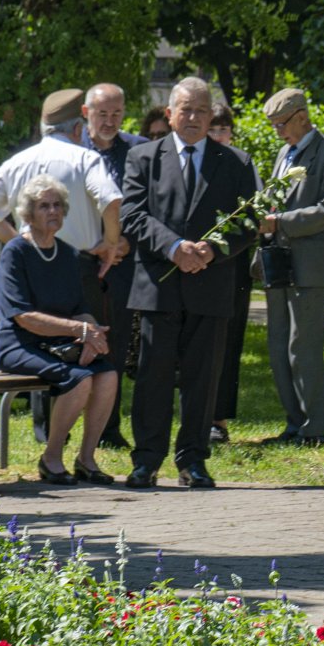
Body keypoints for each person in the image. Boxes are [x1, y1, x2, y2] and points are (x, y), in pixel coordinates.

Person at [119, 77, 259, 489]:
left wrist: (212, 251)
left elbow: (248, 221)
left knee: (203, 379)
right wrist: (174, 247)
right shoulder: (143, 158)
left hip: (210, 286)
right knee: (153, 377)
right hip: (159, 287)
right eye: (186, 109)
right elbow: (132, 214)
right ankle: (146, 460)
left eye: (202, 110)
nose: (195, 117)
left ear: (211, 114)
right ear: (170, 113)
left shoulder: (235, 162)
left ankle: (193, 460)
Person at [0, 88, 126, 441]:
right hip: (80, 262)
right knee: (82, 346)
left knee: (44, 346)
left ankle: (46, 432)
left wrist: (16, 243)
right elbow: (112, 200)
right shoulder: (85, 158)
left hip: (34, 260)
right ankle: (96, 434)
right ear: (76, 128)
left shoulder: (18, 160)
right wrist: (111, 244)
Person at [0, 175, 120, 485]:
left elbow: (80, 306)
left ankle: (87, 459)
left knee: (107, 374)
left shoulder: (67, 253)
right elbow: (23, 317)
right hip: (18, 344)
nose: (53, 212)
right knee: (79, 380)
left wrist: (92, 335)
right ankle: (51, 459)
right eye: (44, 206)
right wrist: (80, 330)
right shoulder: (15, 252)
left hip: (60, 343)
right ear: (27, 213)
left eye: (58, 206)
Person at [256, 87, 324, 447]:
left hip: (309, 265)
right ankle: (294, 424)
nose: (278, 131)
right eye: (274, 125)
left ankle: (316, 428)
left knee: (303, 346)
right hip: (278, 261)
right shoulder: (283, 152)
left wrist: (281, 222)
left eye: (281, 123)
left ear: (302, 117)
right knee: (278, 345)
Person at [82, 82, 147, 448]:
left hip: (124, 262)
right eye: (102, 113)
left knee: (117, 343)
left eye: (116, 114)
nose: (109, 121)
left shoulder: (138, 151)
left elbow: (147, 206)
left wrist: (124, 242)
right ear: (86, 112)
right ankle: (55, 423)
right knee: (73, 338)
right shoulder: (73, 152)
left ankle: (108, 427)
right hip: (81, 261)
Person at [205, 101, 254, 445]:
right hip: (193, 263)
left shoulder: (241, 163)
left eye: (225, 129)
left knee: (228, 343)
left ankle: (218, 419)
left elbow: (255, 214)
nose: (220, 135)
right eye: (214, 129)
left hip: (233, 265)